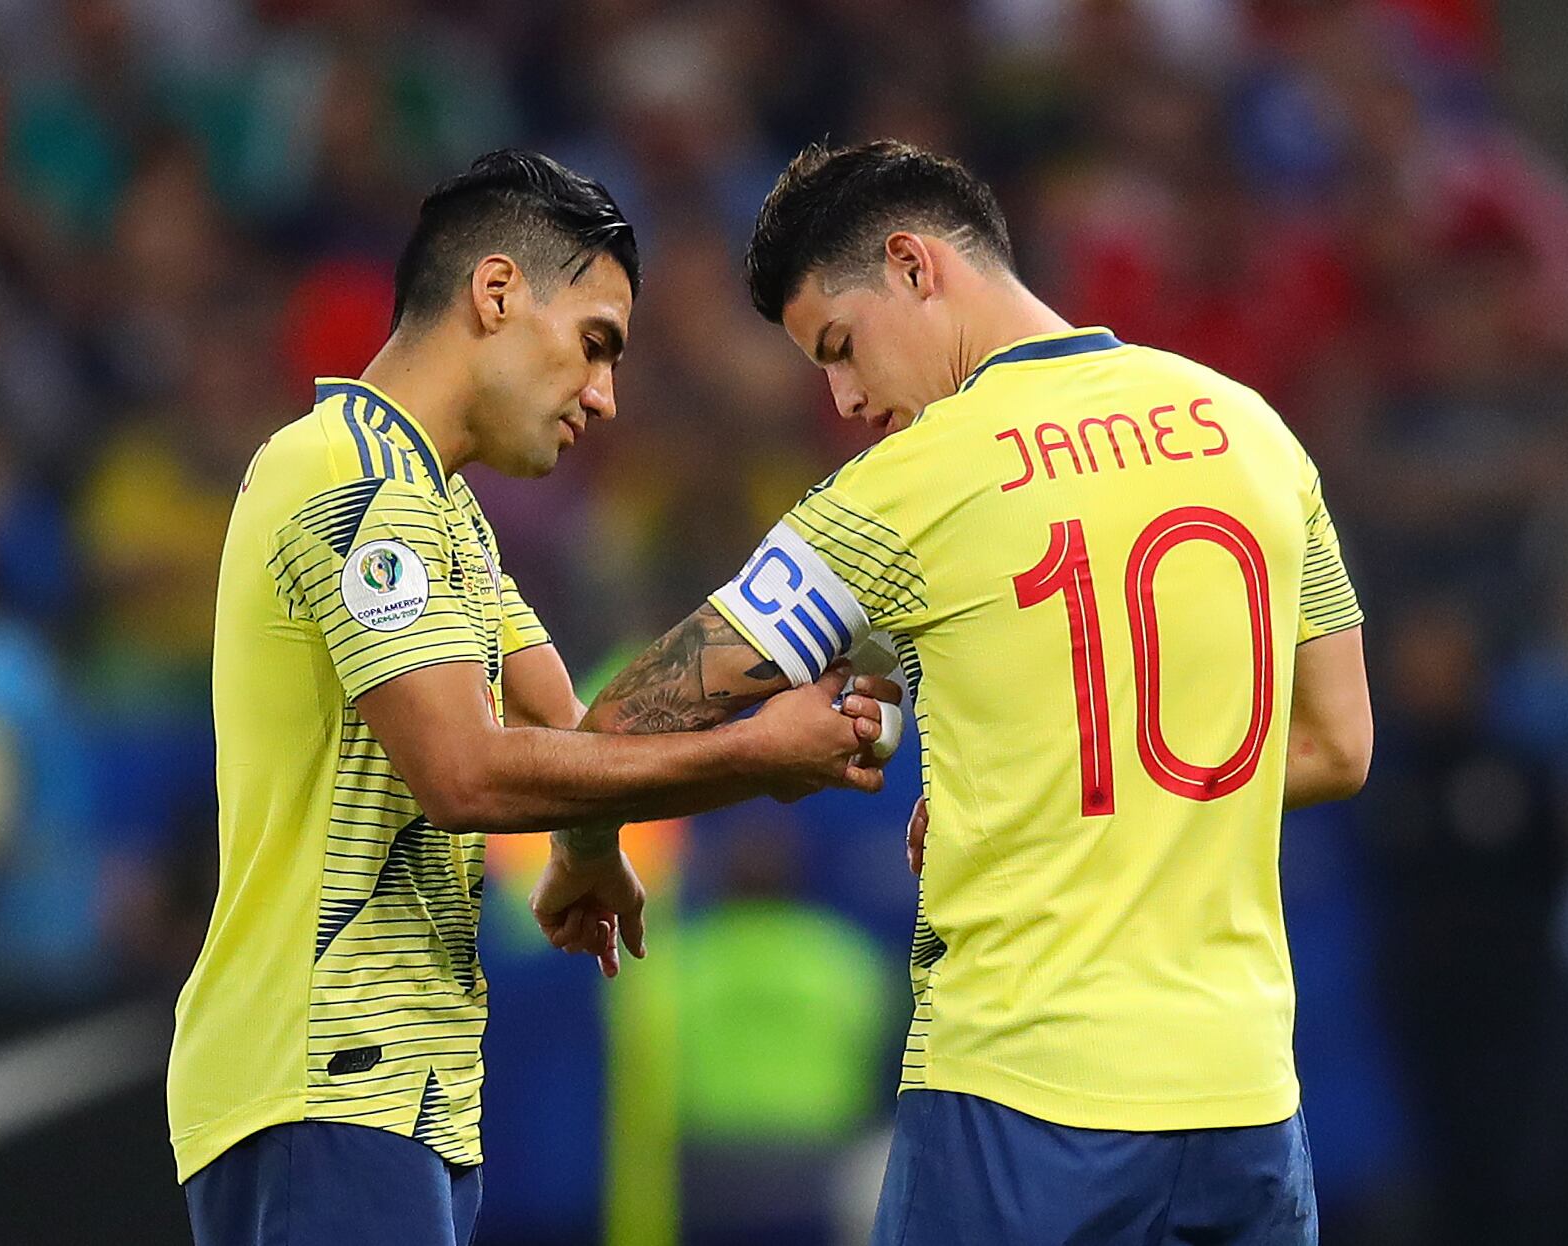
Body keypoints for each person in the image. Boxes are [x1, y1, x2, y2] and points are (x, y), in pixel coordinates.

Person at [537, 141, 1372, 1246]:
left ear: (914, 266)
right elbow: (1337, 745)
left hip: (1020, 1102)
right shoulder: (1252, 431)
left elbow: (629, 713)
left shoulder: (912, 485)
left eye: (840, 347)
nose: (844, 399)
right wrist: (1050, 792)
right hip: (1245, 1108)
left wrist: (588, 852)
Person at [167, 149, 899, 1246]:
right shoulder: (352, 480)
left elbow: (572, 727)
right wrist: (756, 753)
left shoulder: (440, 507)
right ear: (497, 293)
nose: (604, 396)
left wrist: (592, 854)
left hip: (394, 1086)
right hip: (324, 1072)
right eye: (595, 345)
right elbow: (464, 771)